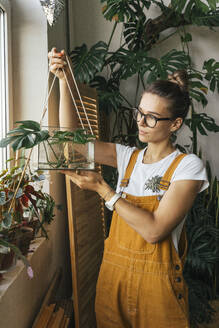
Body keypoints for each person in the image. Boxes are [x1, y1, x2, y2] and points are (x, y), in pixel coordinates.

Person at [48, 48, 209, 328]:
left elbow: (154, 230)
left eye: (152, 118)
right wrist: (65, 81)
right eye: (140, 113)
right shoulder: (127, 157)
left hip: (157, 291)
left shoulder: (188, 167)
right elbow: (70, 143)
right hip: (114, 282)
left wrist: (104, 190)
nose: (140, 122)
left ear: (175, 124)